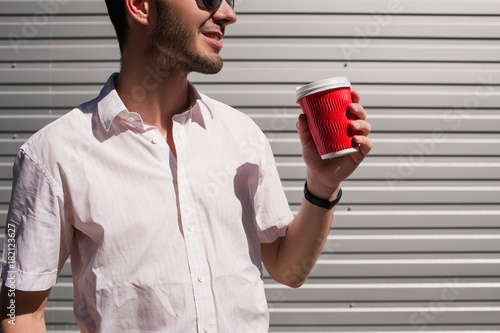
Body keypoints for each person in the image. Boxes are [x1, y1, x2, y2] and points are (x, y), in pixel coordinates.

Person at [0, 0, 373, 332]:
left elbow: (288, 270)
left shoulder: (242, 135)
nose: (228, 14)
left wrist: (323, 186)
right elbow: (17, 310)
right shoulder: (51, 154)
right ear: (140, 6)